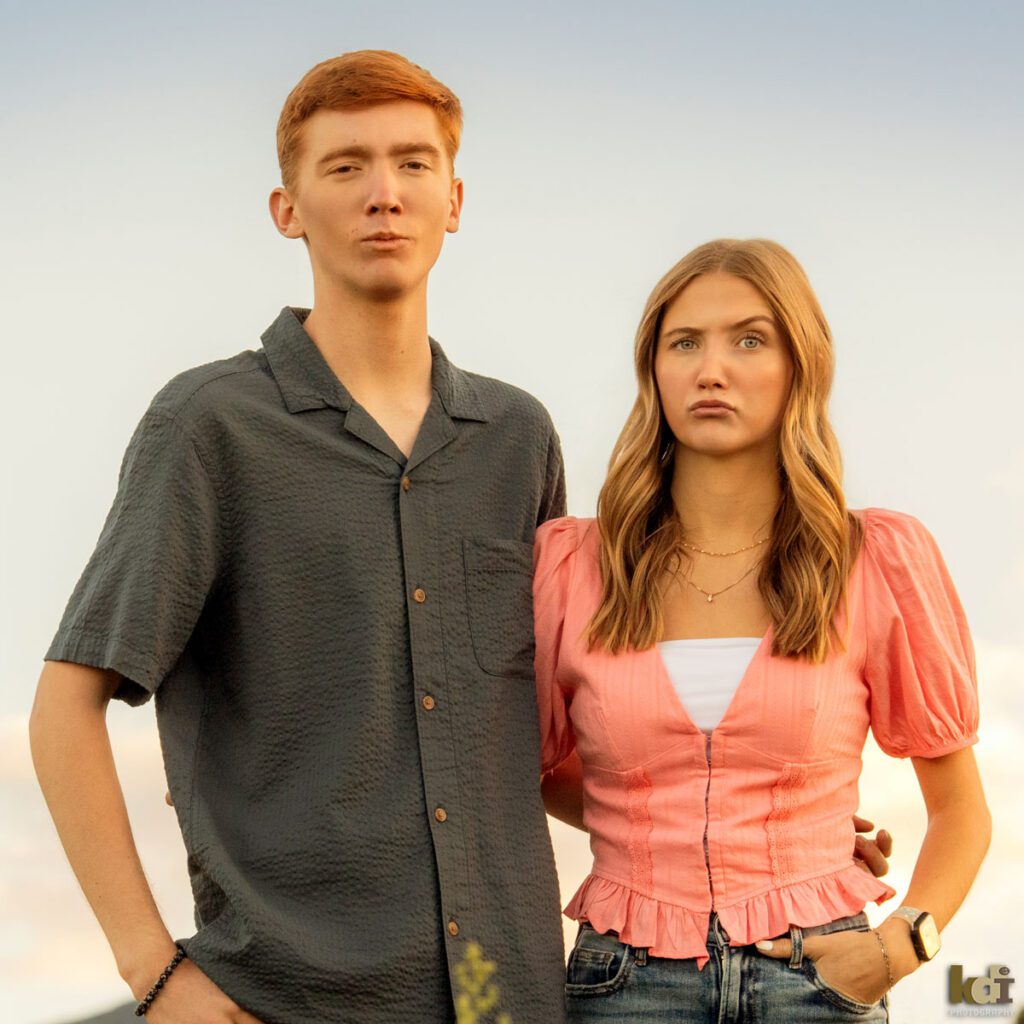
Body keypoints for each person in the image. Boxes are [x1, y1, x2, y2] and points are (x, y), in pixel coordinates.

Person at [28, 50, 569, 1024]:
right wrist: (153, 974)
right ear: (287, 208)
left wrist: (771, 826)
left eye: (411, 164)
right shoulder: (208, 425)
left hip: (510, 997)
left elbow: (544, 740)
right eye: (345, 166)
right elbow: (64, 709)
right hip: (285, 999)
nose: (383, 195)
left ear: (454, 198)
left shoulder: (517, 439)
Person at [533, 238, 990, 1022]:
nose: (713, 370)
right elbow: (531, 769)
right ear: (656, 372)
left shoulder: (874, 559)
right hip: (622, 984)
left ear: (798, 366)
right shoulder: (572, 566)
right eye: (685, 343)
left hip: (819, 976)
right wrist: (695, 826)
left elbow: (961, 811)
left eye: (749, 339)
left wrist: (897, 947)